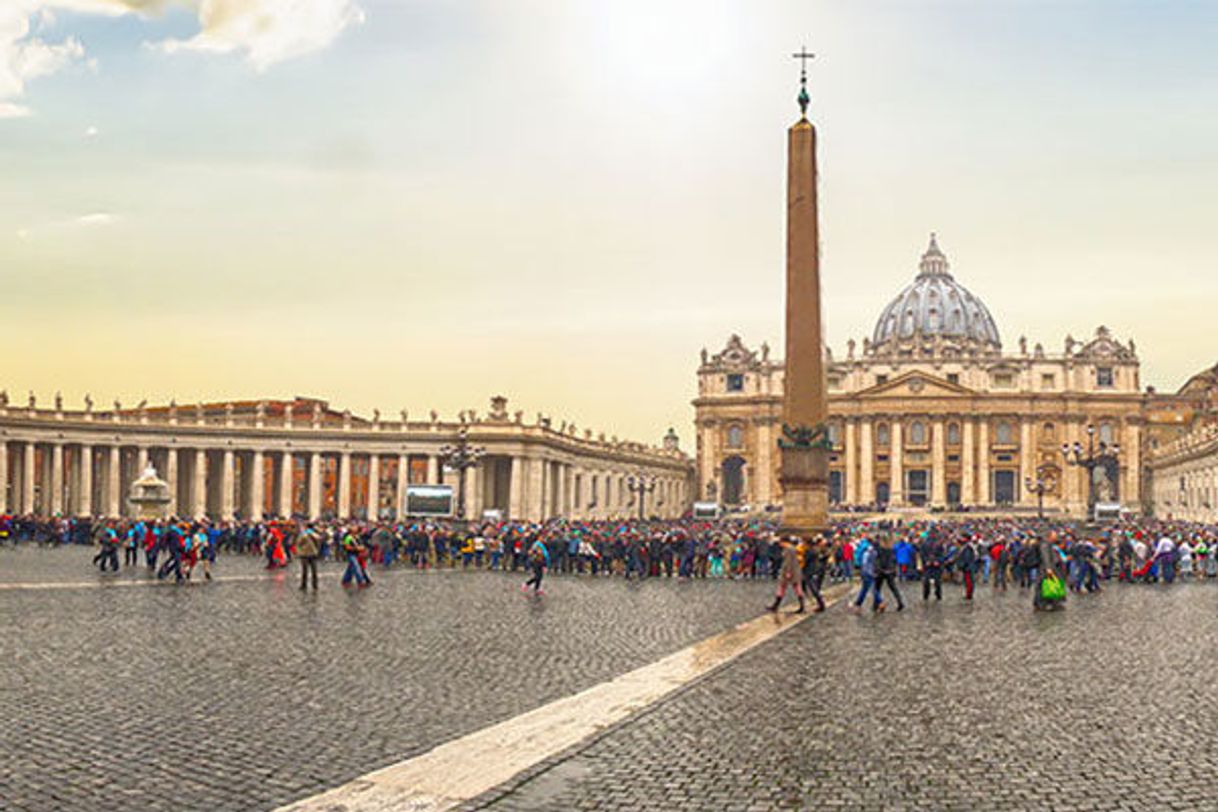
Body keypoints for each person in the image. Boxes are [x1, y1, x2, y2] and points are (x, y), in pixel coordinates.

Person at [766, 536, 805, 614]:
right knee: (794, 587)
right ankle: (801, 605)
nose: (780, 544)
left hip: (789, 571)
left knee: (785, 587)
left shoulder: (788, 549)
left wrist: (788, 572)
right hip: (794, 570)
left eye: (781, 542)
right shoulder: (792, 548)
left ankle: (776, 605)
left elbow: (788, 561)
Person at [873, 535, 905, 612]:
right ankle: (900, 602)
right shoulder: (891, 549)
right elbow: (894, 560)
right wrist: (893, 569)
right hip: (890, 571)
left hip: (881, 570)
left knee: (877, 588)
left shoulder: (880, 549)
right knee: (893, 588)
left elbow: (877, 560)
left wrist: (877, 569)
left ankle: (876, 604)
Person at [296, 525, 320, 591]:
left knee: (312, 571)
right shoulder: (303, 535)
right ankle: (305, 585)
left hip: (310, 554)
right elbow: (298, 543)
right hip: (306, 554)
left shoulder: (313, 535)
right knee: (306, 571)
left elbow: (319, 541)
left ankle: (313, 585)